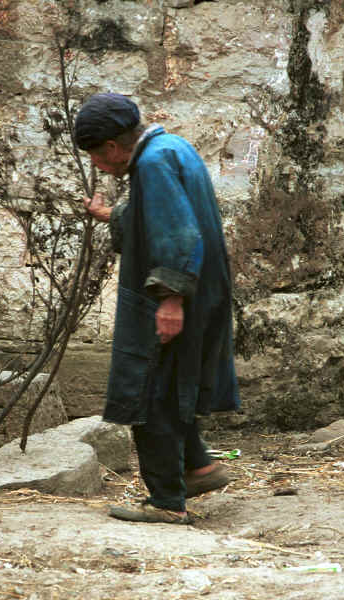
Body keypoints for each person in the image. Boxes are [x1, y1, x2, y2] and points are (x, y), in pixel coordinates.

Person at [75, 93, 240, 525]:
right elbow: (157, 214)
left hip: (173, 293)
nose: (96, 163)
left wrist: (170, 299)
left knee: (150, 393)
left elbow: (178, 234)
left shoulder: (151, 163)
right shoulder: (172, 148)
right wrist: (111, 214)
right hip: (201, 290)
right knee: (170, 383)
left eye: (95, 154)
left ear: (111, 147)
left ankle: (167, 502)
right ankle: (198, 468)